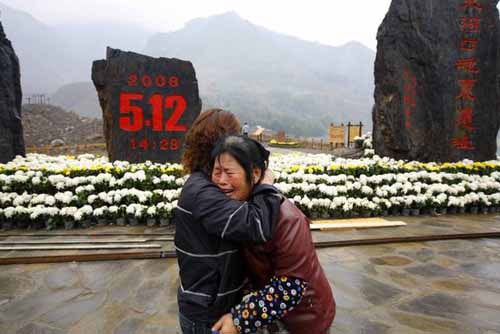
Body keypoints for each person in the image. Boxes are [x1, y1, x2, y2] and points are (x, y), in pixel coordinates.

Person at [210, 136, 336, 334]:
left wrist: (240, 319)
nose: (221, 181)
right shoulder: (241, 210)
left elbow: (289, 288)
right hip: (272, 314)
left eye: (229, 172)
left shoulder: (288, 220)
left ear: (255, 173)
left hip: (304, 318)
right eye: (217, 172)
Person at [174, 109, 283, 334]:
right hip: (207, 316)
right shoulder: (202, 192)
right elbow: (257, 226)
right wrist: (267, 185)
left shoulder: (209, 181)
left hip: (214, 306)